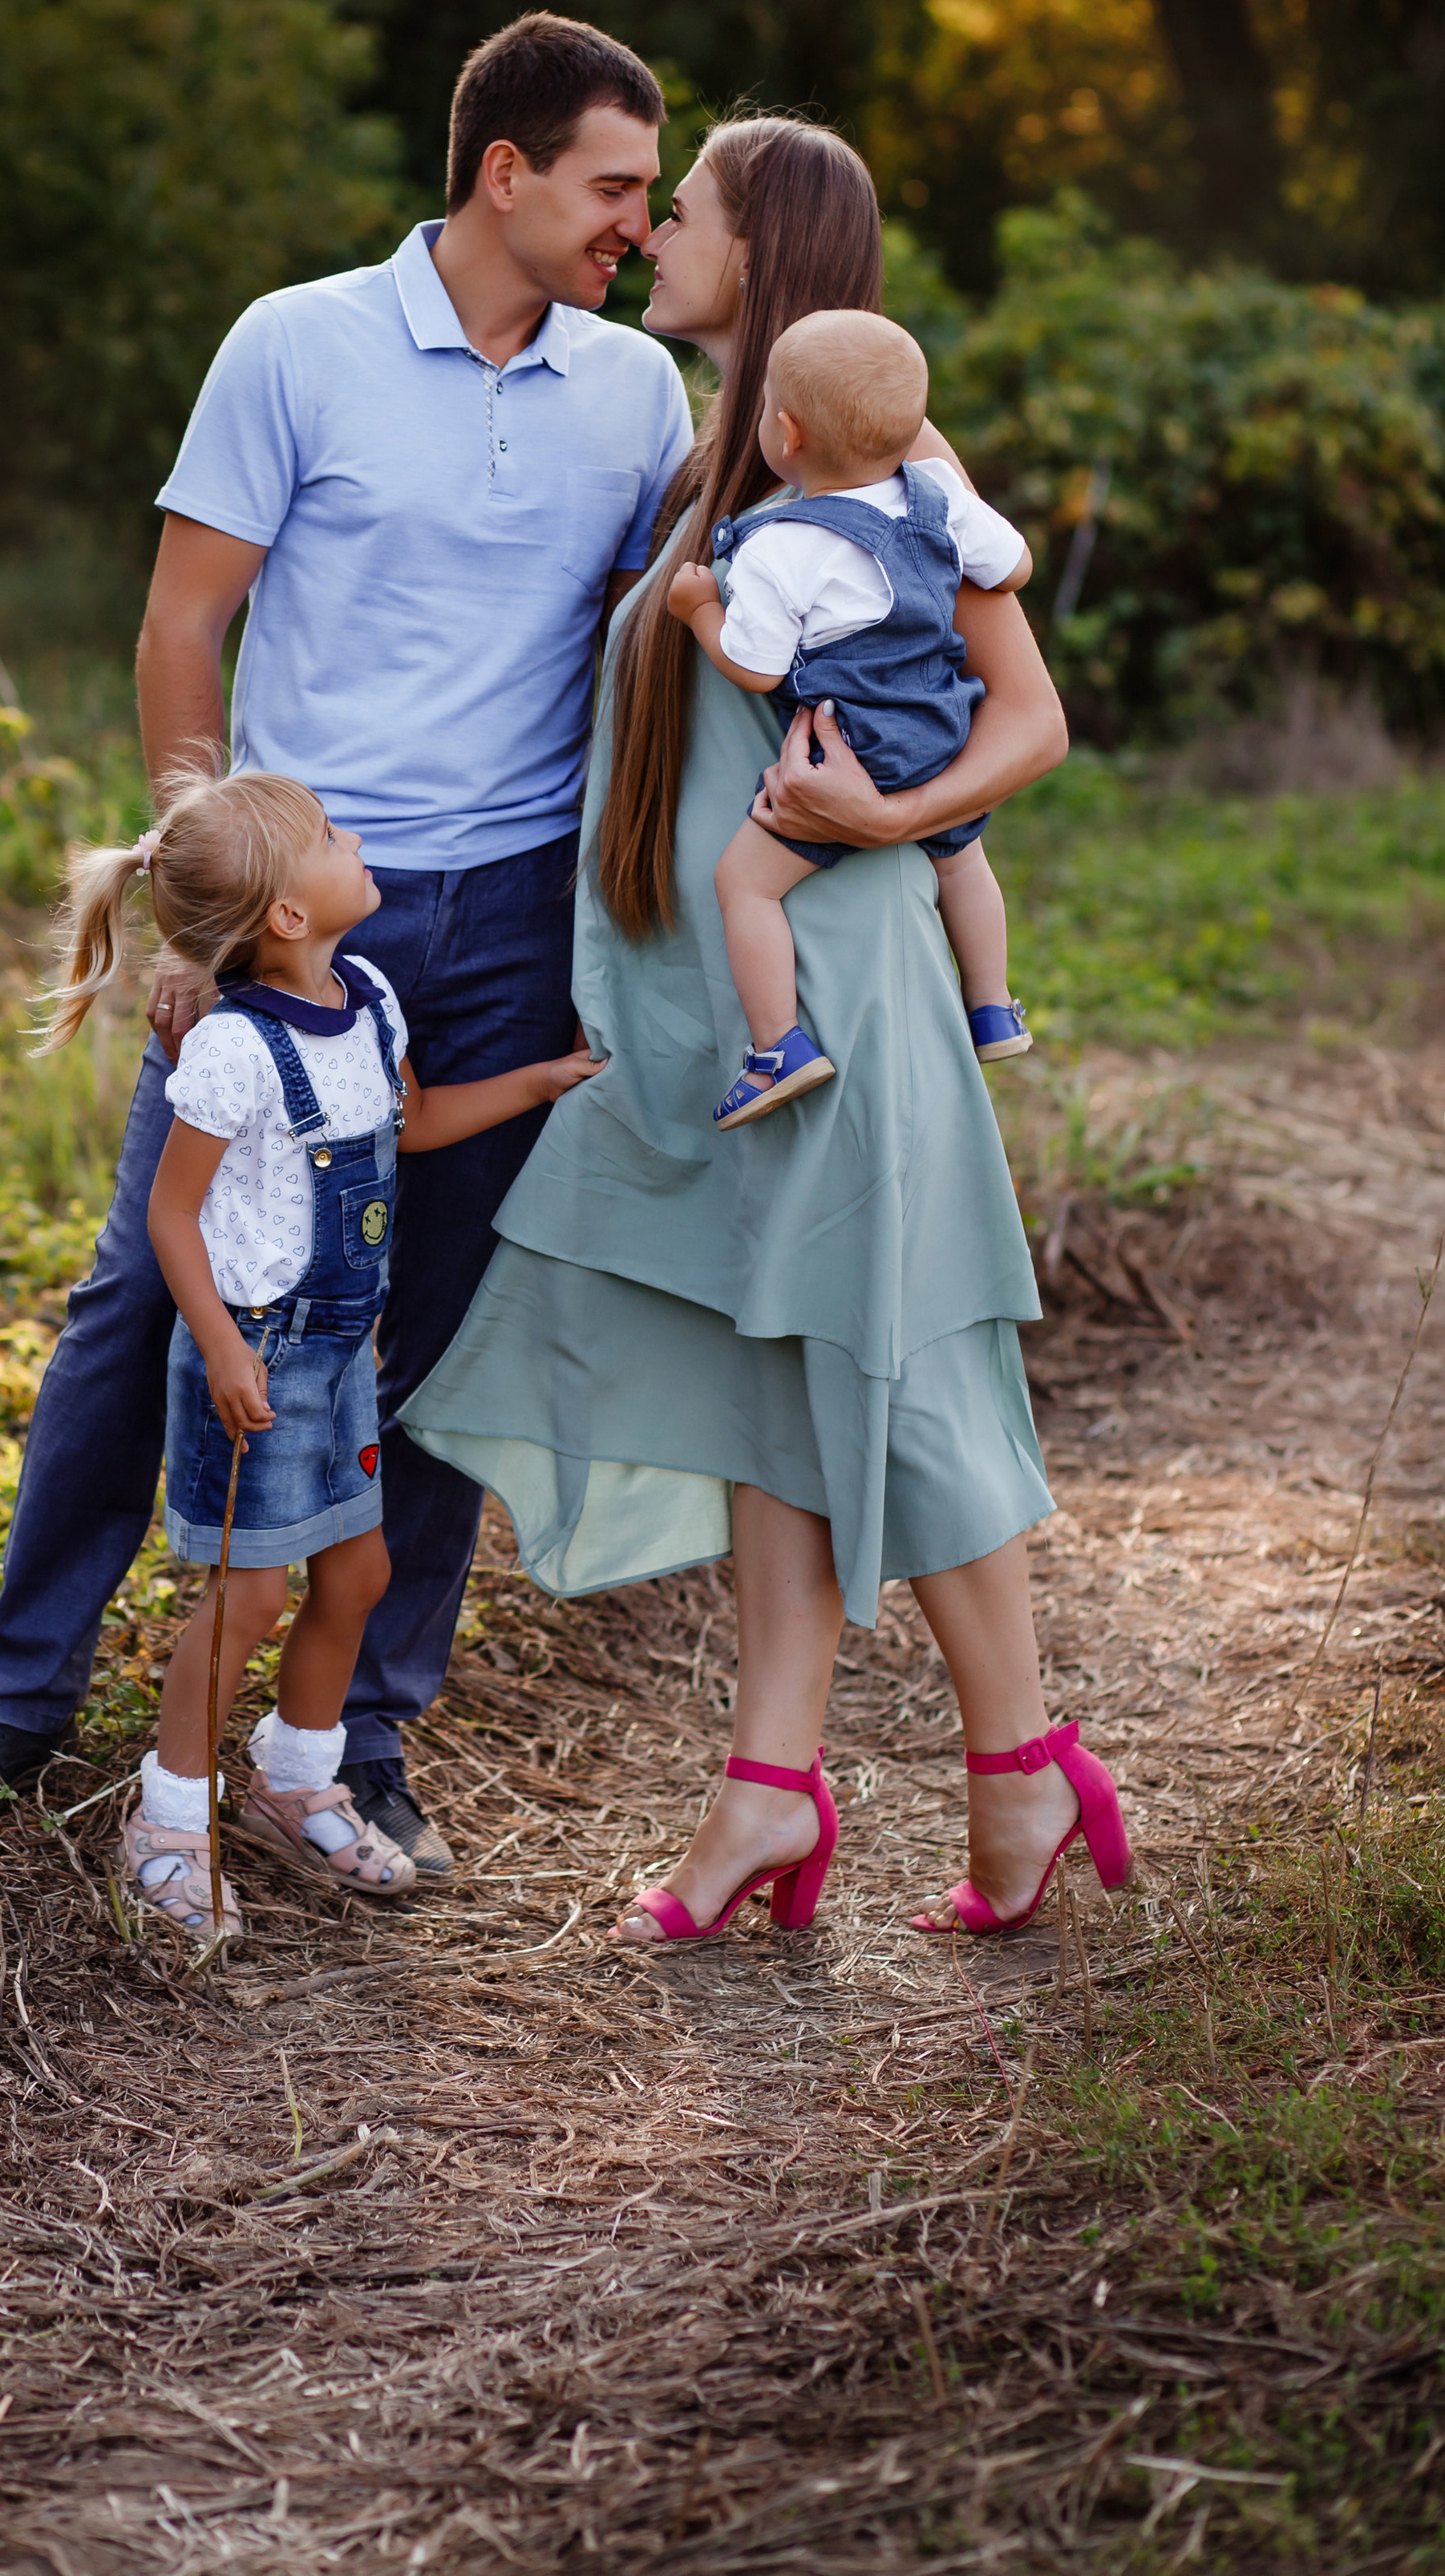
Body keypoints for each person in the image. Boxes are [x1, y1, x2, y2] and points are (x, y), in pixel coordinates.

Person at [0, 11, 694, 1870]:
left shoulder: (632, 392)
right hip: (306, 910)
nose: (633, 228)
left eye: (650, 197)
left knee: (446, 1333)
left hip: (517, 911)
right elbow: (184, 630)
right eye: (610, 186)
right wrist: (215, 882)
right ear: (503, 170)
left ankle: (349, 1731)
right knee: (142, 1305)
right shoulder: (295, 343)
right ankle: (14, 1703)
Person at [402, 111, 1132, 1941]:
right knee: (765, 1387)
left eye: (689, 211)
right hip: (702, 1010)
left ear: (768, 242)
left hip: (840, 987)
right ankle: (763, 1791)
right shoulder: (707, 456)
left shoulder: (888, 461)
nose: (652, 236)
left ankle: (1021, 1763)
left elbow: (1023, 720)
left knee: (901, 1373)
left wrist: (892, 817)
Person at [38, 766, 603, 1941]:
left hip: (341, 1355)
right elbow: (170, 1216)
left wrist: (548, 1078)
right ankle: (168, 1822)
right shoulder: (233, 1051)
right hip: (256, 1357)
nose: (358, 842)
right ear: (287, 915)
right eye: (335, 837)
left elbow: (416, 1122)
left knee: (357, 1576)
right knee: (244, 1599)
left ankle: (295, 1778)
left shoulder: (372, 998)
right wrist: (218, 1347)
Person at [665, 305, 1034, 1128]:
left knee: (744, 885)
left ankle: (776, 1048)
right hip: (944, 732)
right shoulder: (936, 493)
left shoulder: (783, 547)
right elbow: (1015, 566)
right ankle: (992, 1006)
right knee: (962, 860)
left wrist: (696, 609)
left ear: (786, 435)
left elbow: (756, 669)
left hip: (853, 754)